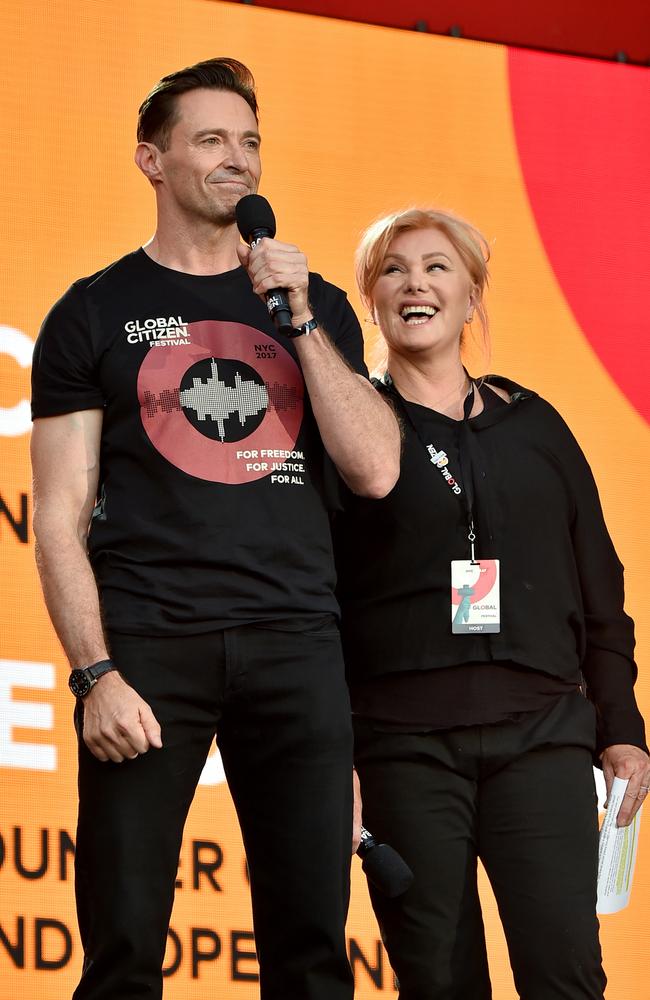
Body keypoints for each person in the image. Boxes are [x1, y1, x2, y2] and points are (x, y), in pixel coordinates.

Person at [30, 58, 400, 1000]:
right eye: (211, 141)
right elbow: (61, 517)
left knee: (314, 950)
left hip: (296, 645)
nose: (238, 161)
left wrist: (304, 319)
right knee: (122, 947)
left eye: (250, 142)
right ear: (152, 160)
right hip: (152, 647)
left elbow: (374, 468)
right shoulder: (93, 312)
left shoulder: (309, 304)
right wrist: (94, 675)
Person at [335, 207, 649, 999]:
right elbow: (317, 609)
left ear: (472, 297)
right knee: (437, 982)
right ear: (371, 299)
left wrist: (623, 729)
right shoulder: (348, 436)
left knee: (566, 974)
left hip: (542, 741)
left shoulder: (536, 425)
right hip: (403, 750)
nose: (416, 283)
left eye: (438, 267)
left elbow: (599, 587)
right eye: (394, 269)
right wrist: (328, 757)